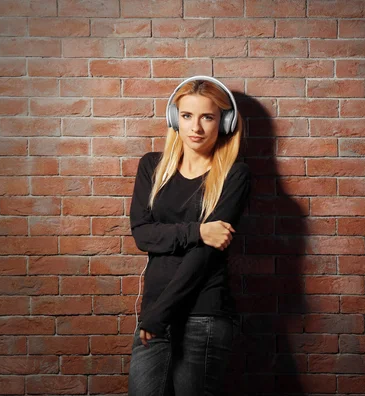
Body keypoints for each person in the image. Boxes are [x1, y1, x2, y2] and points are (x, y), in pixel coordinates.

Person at [127, 76, 251, 396]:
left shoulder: (234, 174)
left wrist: (159, 314)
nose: (195, 127)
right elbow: (142, 234)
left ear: (224, 122)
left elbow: (206, 254)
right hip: (155, 314)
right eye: (186, 116)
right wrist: (198, 230)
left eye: (207, 117)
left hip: (203, 316)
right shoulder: (151, 167)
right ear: (174, 118)